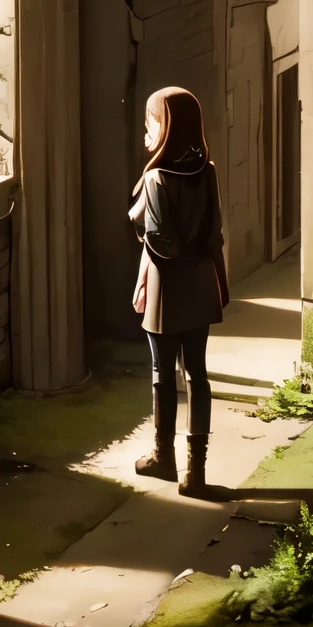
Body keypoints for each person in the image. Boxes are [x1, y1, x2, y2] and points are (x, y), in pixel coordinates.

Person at [128, 86, 229, 497]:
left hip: (167, 290)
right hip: (200, 283)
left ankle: (163, 457)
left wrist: (141, 231)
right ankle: (196, 473)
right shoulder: (208, 171)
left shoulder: (156, 178)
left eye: (151, 122)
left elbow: (158, 242)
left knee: (162, 375)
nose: (146, 132)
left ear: (167, 126)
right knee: (198, 375)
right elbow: (214, 232)